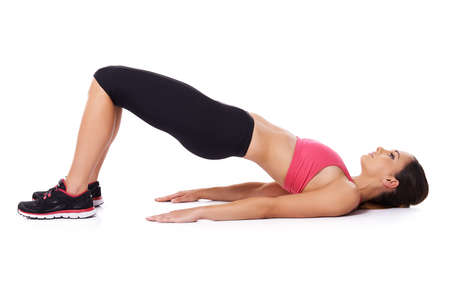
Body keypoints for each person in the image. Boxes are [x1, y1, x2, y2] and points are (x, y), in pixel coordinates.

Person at [17, 65, 429, 222]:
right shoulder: (340, 185)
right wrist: (203, 194)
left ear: (392, 182)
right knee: (114, 88)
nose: (381, 148)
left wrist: (200, 216)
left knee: (109, 79)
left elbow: (269, 208)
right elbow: (268, 189)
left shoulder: (341, 196)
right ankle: (84, 188)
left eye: (390, 156)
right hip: (222, 124)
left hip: (218, 129)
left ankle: (73, 192)